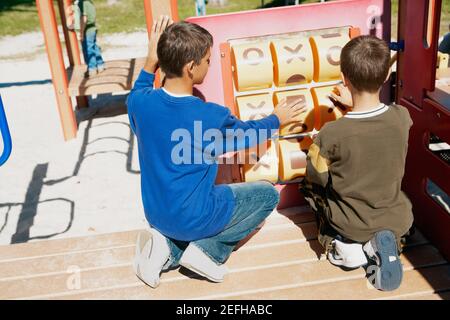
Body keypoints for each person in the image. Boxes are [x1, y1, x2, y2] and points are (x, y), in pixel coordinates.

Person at [127, 16, 306, 288]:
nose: (209, 65)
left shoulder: (140, 103)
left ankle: (166, 249)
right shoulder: (210, 116)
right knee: (266, 195)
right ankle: (208, 251)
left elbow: (139, 88)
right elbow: (248, 135)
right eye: (208, 61)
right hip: (196, 217)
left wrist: (150, 61)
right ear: (191, 67)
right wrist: (276, 118)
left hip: (157, 214)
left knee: (183, 220)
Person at [300, 35, 414, 291]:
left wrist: (320, 142)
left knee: (307, 190)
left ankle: (344, 248)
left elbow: (316, 177)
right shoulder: (402, 117)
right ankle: (391, 244)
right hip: (396, 217)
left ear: (344, 78)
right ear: (386, 76)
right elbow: (374, 133)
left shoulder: (332, 134)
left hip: (350, 224)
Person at [74, 0, 106, 77]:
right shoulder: (90, 2)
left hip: (87, 30)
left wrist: (81, 33)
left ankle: (92, 69)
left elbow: (84, 18)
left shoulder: (82, 3)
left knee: (88, 50)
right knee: (94, 47)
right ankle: (100, 64)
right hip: (93, 28)